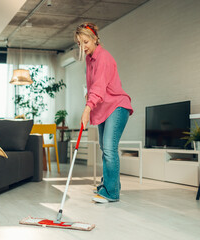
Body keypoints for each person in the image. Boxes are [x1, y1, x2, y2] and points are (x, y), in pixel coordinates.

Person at [74, 22, 133, 203]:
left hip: (117, 106)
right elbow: (93, 86)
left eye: (85, 42)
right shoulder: (89, 59)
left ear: (95, 39)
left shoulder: (104, 57)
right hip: (103, 107)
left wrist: (87, 108)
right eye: (79, 43)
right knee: (104, 148)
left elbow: (99, 86)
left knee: (109, 148)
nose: (83, 47)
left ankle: (112, 193)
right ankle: (108, 185)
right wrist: (88, 97)